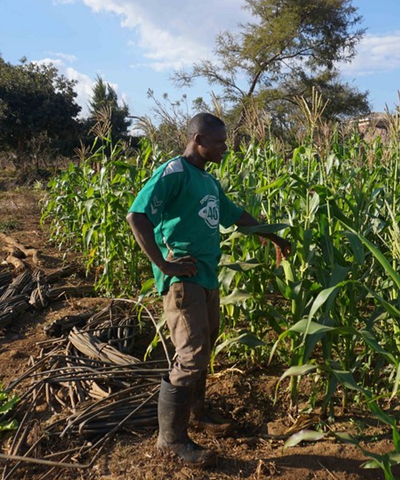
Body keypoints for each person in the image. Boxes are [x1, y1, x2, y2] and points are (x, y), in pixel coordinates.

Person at [126, 112, 291, 467]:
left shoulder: (208, 182)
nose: (224, 148)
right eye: (219, 142)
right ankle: (170, 440)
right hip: (183, 278)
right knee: (191, 354)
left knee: (205, 344)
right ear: (198, 140)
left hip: (206, 277)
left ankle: (197, 415)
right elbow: (137, 216)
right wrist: (165, 265)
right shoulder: (175, 173)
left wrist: (272, 235)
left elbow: (236, 215)